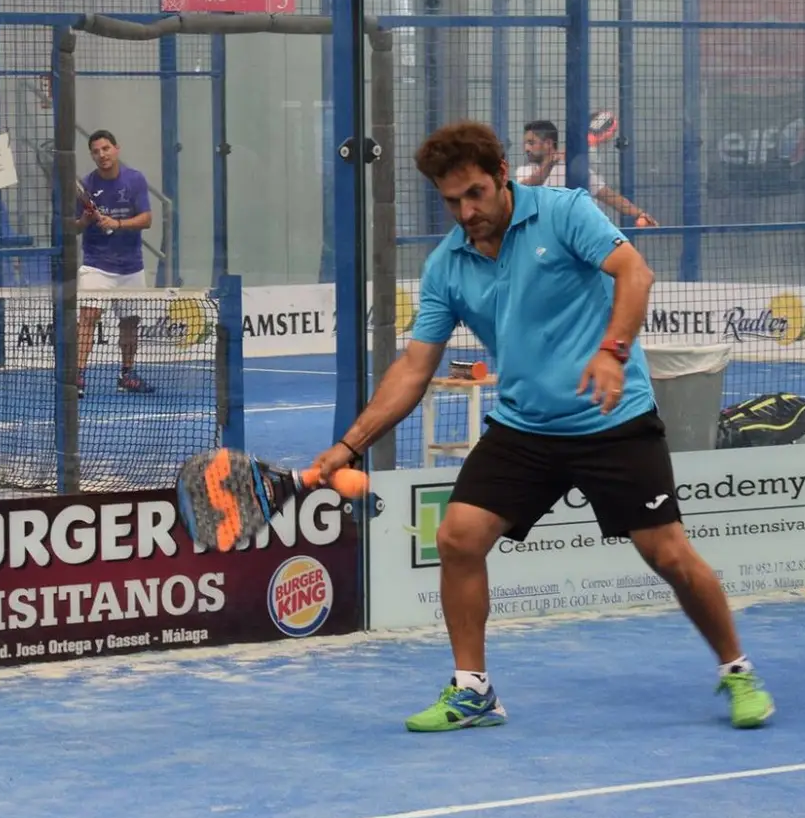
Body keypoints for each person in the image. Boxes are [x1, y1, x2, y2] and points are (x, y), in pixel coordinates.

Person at [312, 121, 774, 734]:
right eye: (452, 201)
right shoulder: (447, 266)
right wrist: (348, 446)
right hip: (525, 428)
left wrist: (612, 352)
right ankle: (473, 690)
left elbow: (635, 274)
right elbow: (414, 367)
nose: (466, 211)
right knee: (458, 536)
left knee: (666, 553)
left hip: (611, 417)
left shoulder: (565, 213)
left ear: (502, 173)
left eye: (475, 193)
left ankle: (737, 669)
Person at [74, 129, 156, 395]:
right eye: (96, 151)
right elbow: (75, 227)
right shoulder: (86, 185)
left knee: (130, 322)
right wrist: (85, 221)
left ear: (116, 149)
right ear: (92, 155)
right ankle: (78, 377)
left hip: (131, 265)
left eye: (106, 148)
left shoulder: (135, 180)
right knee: (88, 316)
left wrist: (117, 223)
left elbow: (146, 219)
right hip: (96, 263)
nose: (102, 155)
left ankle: (127, 375)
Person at [515, 115, 659, 228]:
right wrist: (550, 163)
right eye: (526, 143)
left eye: (531, 143)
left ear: (548, 144)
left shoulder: (574, 170)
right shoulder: (524, 171)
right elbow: (528, 187)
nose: (526, 148)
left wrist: (640, 214)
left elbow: (610, 197)